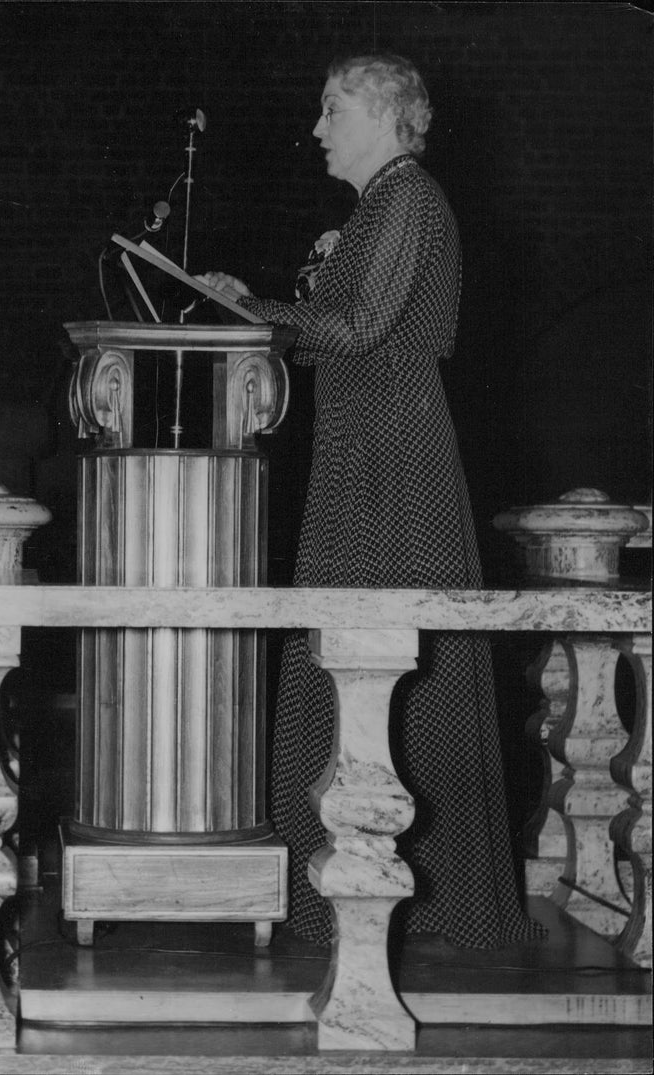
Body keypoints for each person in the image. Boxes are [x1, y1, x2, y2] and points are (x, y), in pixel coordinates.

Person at [198, 52, 543, 949]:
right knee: (343, 654)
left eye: (333, 110)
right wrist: (257, 309)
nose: (317, 129)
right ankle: (336, 895)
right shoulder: (375, 209)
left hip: (397, 460)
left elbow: (358, 330)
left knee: (388, 662)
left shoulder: (409, 199)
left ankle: (428, 914)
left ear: (390, 118)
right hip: (358, 455)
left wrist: (262, 313)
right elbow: (334, 344)